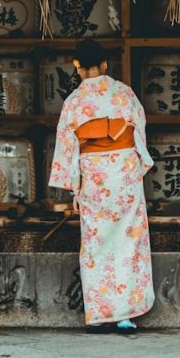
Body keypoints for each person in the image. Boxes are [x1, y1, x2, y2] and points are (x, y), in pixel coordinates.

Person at [48, 39, 155, 333]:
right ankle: (126, 316)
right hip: (124, 175)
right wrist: (135, 166)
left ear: (77, 66)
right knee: (128, 242)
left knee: (95, 245)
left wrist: (74, 186)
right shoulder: (124, 94)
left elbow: (68, 147)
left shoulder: (74, 102)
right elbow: (139, 133)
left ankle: (98, 315)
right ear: (106, 64)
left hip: (94, 176)